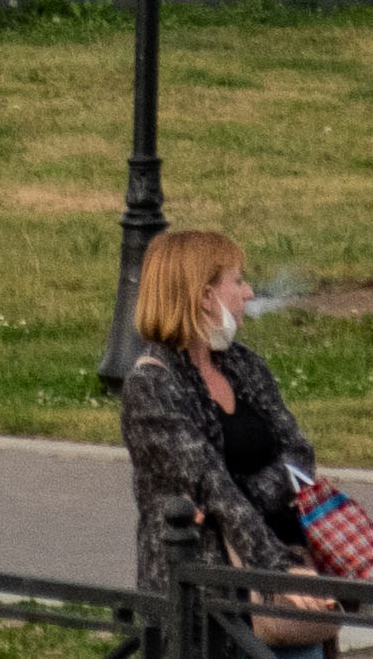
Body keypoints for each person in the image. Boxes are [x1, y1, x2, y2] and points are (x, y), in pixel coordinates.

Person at [118, 228, 339, 649]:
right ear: (204, 296)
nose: (250, 293)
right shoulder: (151, 387)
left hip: (287, 582)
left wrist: (250, 495)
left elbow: (298, 454)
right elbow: (210, 485)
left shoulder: (244, 365)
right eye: (237, 281)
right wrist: (275, 571)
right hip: (212, 604)